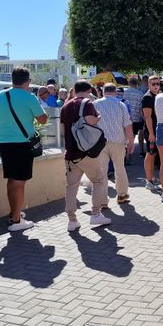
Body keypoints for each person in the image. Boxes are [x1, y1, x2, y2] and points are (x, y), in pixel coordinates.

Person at [0, 66, 49, 231]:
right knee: (19, 182)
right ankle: (16, 220)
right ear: (27, 81)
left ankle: (15, 213)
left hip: (4, 144)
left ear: (12, 80)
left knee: (12, 180)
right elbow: (43, 120)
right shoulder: (29, 97)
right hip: (22, 144)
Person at [59, 80, 111, 230]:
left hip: (70, 154)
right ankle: (95, 214)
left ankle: (72, 220)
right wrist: (98, 117)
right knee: (99, 180)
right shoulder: (88, 103)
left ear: (74, 90)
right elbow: (90, 121)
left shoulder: (65, 105)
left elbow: (63, 131)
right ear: (88, 90)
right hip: (87, 152)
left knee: (71, 186)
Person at [94, 83, 134, 204]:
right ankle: (122, 195)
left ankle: (102, 200)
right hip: (118, 141)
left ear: (103, 91)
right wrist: (131, 142)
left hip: (100, 142)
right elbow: (127, 125)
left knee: (102, 171)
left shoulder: (95, 104)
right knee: (119, 169)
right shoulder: (121, 104)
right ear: (115, 92)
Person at [141, 76, 161, 190]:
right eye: (153, 84)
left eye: (157, 84)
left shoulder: (158, 95)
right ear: (148, 85)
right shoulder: (147, 98)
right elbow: (147, 117)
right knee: (150, 154)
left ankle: (151, 179)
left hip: (158, 129)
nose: (156, 86)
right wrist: (152, 134)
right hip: (151, 130)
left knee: (153, 155)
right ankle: (148, 180)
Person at [123, 77, 145, 157]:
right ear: (136, 84)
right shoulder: (140, 94)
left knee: (127, 137)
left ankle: (127, 155)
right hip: (136, 118)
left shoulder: (125, 93)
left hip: (126, 117)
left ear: (129, 84)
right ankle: (139, 151)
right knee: (134, 135)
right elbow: (141, 107)